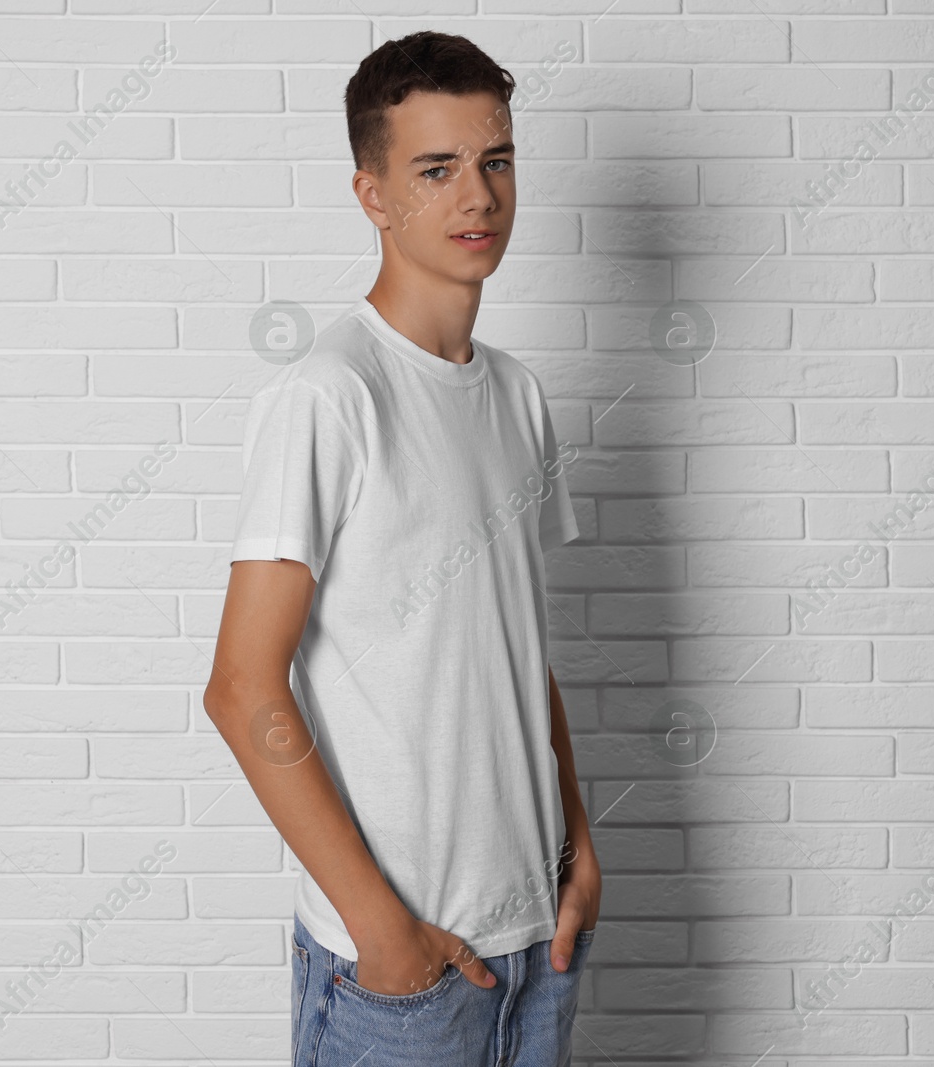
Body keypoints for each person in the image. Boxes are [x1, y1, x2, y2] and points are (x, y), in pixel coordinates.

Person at [202, 29, 601, 1067]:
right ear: (371, 193)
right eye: (435, 169)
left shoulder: (516, 395)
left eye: (495, 160)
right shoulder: (330, 394)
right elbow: (243, 689)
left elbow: (518, 644)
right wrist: (382, 930)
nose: (477, 195)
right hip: (404, 975)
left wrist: (579, 847)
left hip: (537, 950)